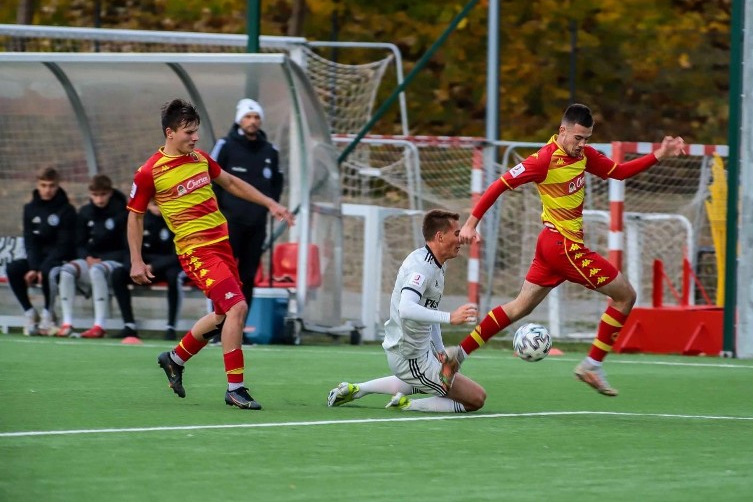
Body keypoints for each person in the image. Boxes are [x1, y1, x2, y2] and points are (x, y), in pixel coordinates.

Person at [444, 103, 686, 396]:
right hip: (563, 246)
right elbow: (499, 184)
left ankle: (459, 353)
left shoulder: (583, 155)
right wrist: (470, 223)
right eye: (578, 138)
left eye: (587, 139)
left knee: (520, 306)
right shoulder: (542, 160)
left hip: (551, 246)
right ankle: (592, 364)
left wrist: (659, 154)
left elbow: (619, 172)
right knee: (626, 295)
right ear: (562, 131)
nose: (582, 145)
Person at [128, 98, 293, 410]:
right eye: (189, 132)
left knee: (221, 316)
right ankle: (235, 388)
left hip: (222, 246)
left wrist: (270, 203)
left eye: (196, 131)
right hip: (196, 251)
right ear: (169, 132)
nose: (195, 137)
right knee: (238, 308)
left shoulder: (200, 158)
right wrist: (136, 259)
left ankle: (174, 358)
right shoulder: (149, 172)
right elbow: (134, 215)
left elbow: (230, 182)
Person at [327, 209, 486, 413]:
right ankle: (407, 404)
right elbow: (406, 308)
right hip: (408, 356)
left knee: (432, 378)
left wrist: (439, 349)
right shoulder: (422, 267)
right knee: (475, 399)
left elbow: (430, 307)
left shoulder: (436, 263)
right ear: (439, 236)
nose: (461, 239)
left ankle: (357, 389)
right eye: (456, 234)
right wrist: (451, 317)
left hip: (419, 352)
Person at [210, 98, 284, 315]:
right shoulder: (225, 145)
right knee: (224, 275)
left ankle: (240, 327)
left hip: (257, 224)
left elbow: (276, 184)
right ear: (239, 120)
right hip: (229, 222)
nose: (252, 121)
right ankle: (216, 325)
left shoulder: (270, 151)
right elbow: (211, 179)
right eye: (248, 117)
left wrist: (267, 207)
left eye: (256, 117)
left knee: (248, 275)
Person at [54, 174, 128, 338]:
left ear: (109, 193)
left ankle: (99, 325)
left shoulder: (122, 213)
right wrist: (86, 257)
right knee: (66, 270)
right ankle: (67, 323)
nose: (99, 199)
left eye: (103, 194)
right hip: (92, 260)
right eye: (95, 195)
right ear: (90, 194)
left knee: (96, 270)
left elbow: (127, 246)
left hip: (114, 262)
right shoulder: (85, 213)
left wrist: (102, 259)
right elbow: (79, 243)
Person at [6, 167, 76, 336]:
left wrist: (40, 268)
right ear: (37, 185)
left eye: (51, 185)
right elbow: (30, 241)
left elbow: (64, 245)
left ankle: (48, 314)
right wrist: (33, 267)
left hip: (59, 259)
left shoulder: (67, 210)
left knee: (48, 271)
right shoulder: (29, 208)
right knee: (13, 268)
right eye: (43, 185)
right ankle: (30, 313)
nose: (47, 190)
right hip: (38, 260)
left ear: (58, 185)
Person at [111, 201, 184, 340]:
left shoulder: (176, 219)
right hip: (144, 266)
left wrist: (154, 266)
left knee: (174, 276)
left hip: (166, 267)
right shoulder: (139, 220)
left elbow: (178, 255)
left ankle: (171, 327)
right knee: (118, 274)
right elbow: (130, 247)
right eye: (153, 204)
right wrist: (137, 264)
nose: (157, 208)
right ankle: (129, 325)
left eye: (160, 204)